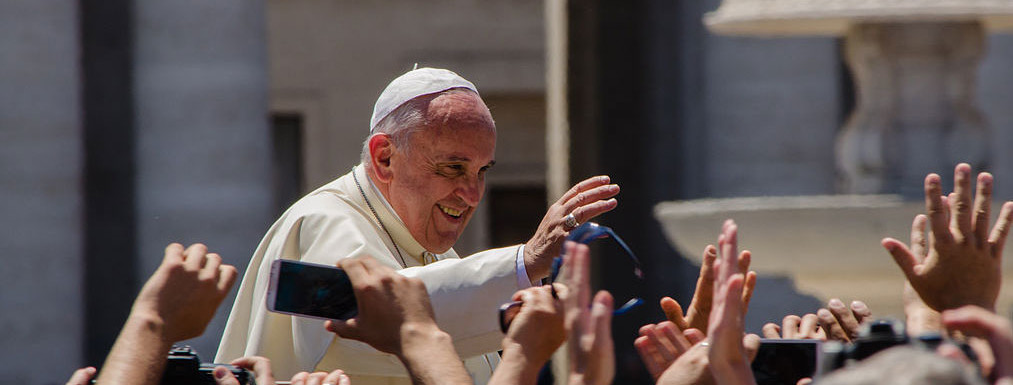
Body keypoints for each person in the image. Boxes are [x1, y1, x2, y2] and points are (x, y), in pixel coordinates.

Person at [216, 67, 620, 383]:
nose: (472, 193)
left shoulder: (436, 252)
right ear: (385, 158)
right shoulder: (323, 222)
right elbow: (377, 319)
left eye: (481, 172)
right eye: (453, 167)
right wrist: (524, 262)